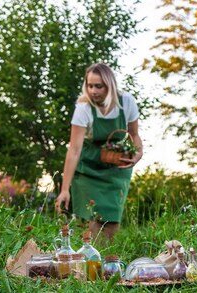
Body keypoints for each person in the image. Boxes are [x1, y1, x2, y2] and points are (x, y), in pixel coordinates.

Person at [54, 63, 142, 242]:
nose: (93, 90)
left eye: (98, 86)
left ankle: (107, 259)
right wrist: (64, 189)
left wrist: (138, 153)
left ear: (110, 85)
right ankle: (89, 258)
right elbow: (74, 149)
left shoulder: (126, 102)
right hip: (89, 166)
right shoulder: (83, 108)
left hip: (116, 166)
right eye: (89, 85)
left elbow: (134, 135)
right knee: (92, 217)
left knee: (112, 217)